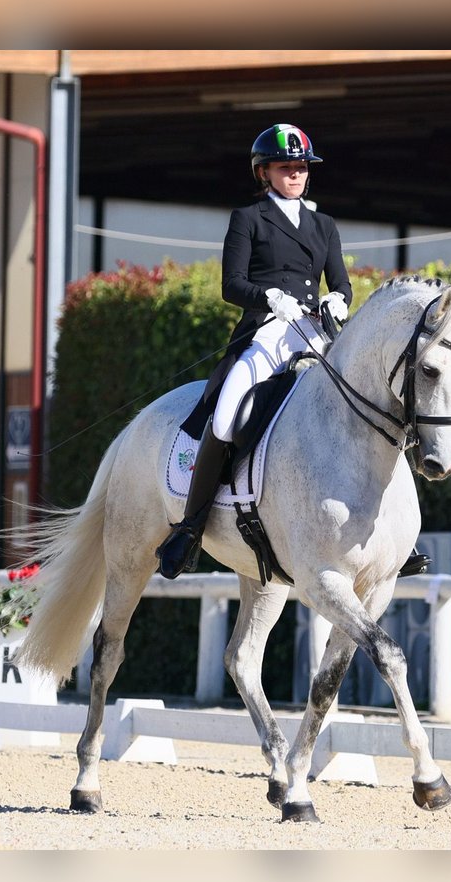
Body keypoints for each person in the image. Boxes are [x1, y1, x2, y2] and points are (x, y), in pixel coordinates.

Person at [154, 123, 353, 579]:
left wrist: (339, 298)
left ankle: (392, 536)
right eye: (286, 167)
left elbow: (339, 280)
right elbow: (232, 284)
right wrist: (270, 299)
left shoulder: (324, 224)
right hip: (266, 332)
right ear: (264, 172)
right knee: (225, 417)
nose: (297, 174)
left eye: (302, 167)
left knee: (369, 402)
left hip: (314, 333)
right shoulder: (249, 218)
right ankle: (190, 527)